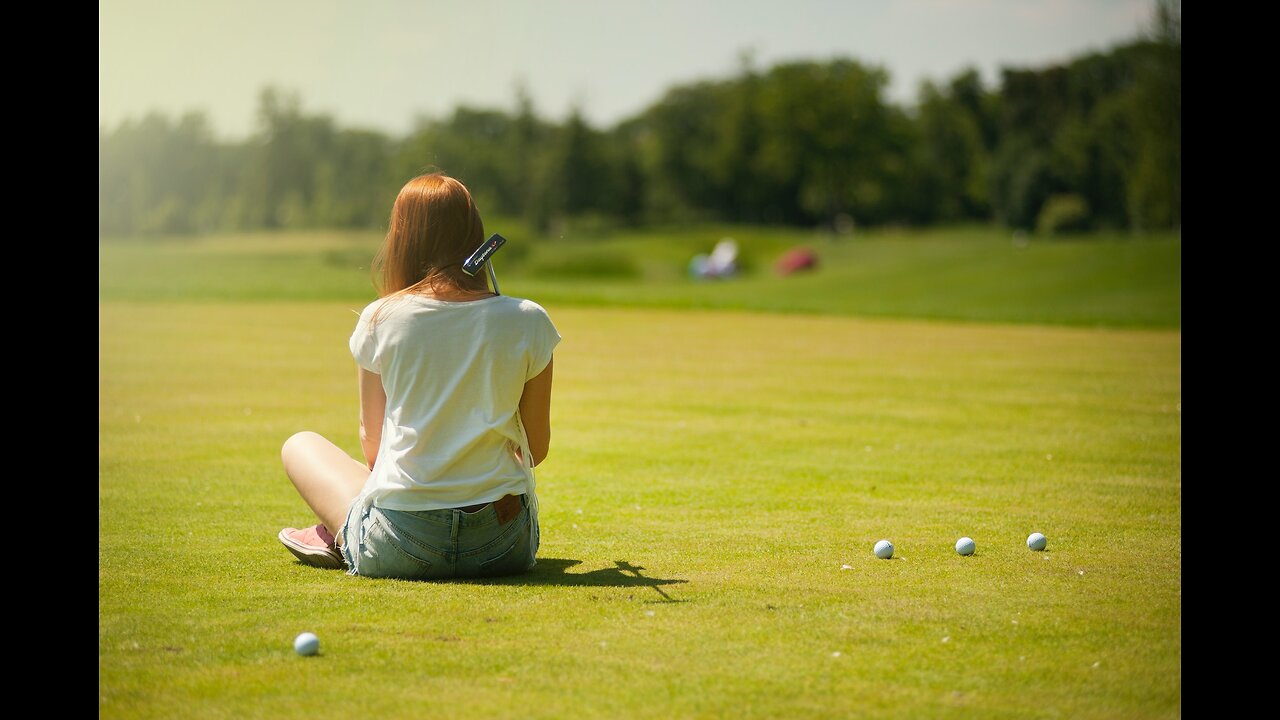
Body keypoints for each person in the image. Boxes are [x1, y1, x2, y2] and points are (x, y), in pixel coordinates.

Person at [277, 173, 560, 580]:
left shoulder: (381, 317)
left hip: (400, 542)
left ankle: (345, 534)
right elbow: (535, 450)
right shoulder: (529, 319)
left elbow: (373, 450)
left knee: (299, 444)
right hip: (502, 546)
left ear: (403, 238)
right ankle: (347, 531)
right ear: (474, 234)